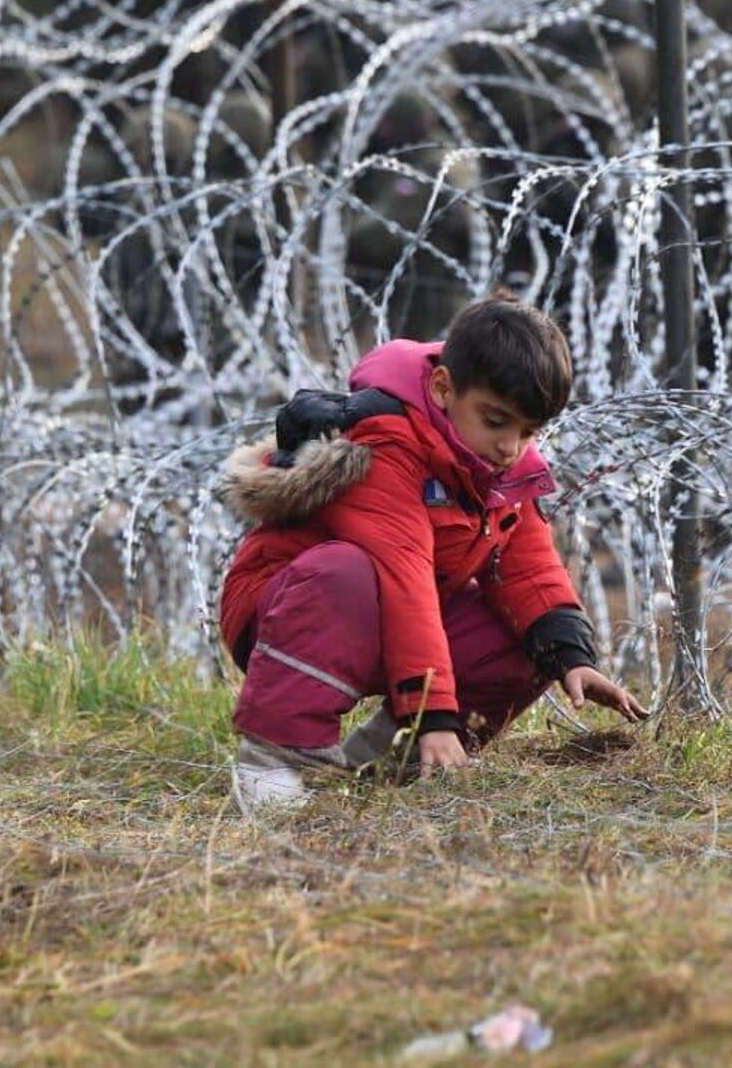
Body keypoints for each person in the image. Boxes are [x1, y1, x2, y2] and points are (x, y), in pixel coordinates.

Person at [218, 296, 648, 809]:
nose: (512, 447)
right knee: (347, 572)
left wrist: (569, 655)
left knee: (527, 638)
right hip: (286, 612)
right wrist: (434, 714)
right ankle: (274, 759)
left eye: (529, 431)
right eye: (496, 421)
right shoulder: (387, 446)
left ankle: (388, 763)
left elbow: (529, 566)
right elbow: (405, 580)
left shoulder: (496, 464)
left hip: (389, 625)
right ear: (444, 389)